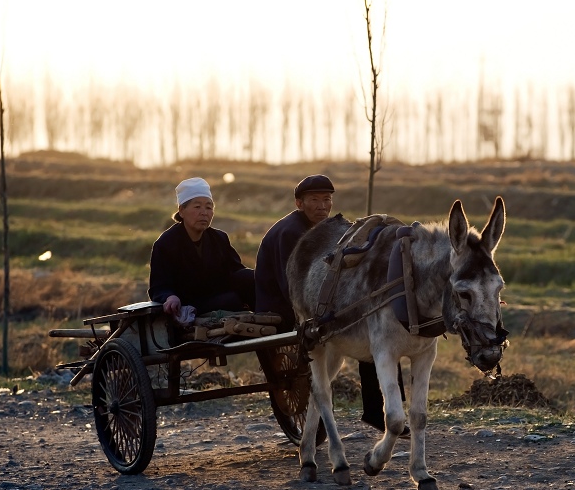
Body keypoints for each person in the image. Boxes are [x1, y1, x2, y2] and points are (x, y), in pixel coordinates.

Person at [255, 174, 406, 435]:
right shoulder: (291, 233)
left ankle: (382, 411)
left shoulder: (330, 229)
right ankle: (362, 412)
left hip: (318, 301)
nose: (322, 206)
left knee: (374, 330)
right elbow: (290, 284)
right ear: (299, 203)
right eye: (314, 200)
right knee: (362, 335)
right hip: (283, 305)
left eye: (327, 200)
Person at [148, 177, 255, 319]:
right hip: (190, 304)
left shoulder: (219, 238)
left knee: (250, 277)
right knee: (231, 301)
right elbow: (159, 286)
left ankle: (269, 318)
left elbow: (235, 270)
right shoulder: (166, 244)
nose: (204, 212)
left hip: (219, 295)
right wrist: (170, 297)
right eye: (197, 207)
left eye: (209, 207)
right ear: (181, 211)